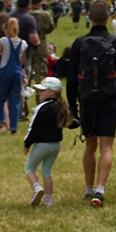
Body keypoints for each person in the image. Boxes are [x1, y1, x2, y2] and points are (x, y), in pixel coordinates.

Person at [65, 0, 116, 207]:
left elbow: (72, 77)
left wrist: (72, 105)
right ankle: (100, 188)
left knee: (90, 145)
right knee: (106, 147)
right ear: (108, 17)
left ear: (89, 17)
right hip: (109, 97)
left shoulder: (79, 43)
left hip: (87, 98)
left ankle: (88, 188)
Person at [22, 76, 69, 207]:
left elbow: (34, 127)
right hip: (55, 146)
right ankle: (48, 200)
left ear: (52, 92)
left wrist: (27, 143)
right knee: (46, 172)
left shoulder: (41, 108)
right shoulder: (61, 107)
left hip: (42, 145)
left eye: (43, 90)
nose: (39, 93)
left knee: (29, 168)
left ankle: (37, 188)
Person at [0, 16, 28, 133]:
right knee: (15, 101)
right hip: (17, 72)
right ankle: (14, 127)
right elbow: (22, 61)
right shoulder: (23, 43)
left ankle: (2, 122)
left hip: (5, 71)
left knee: (0, 99)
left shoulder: (3, 41)